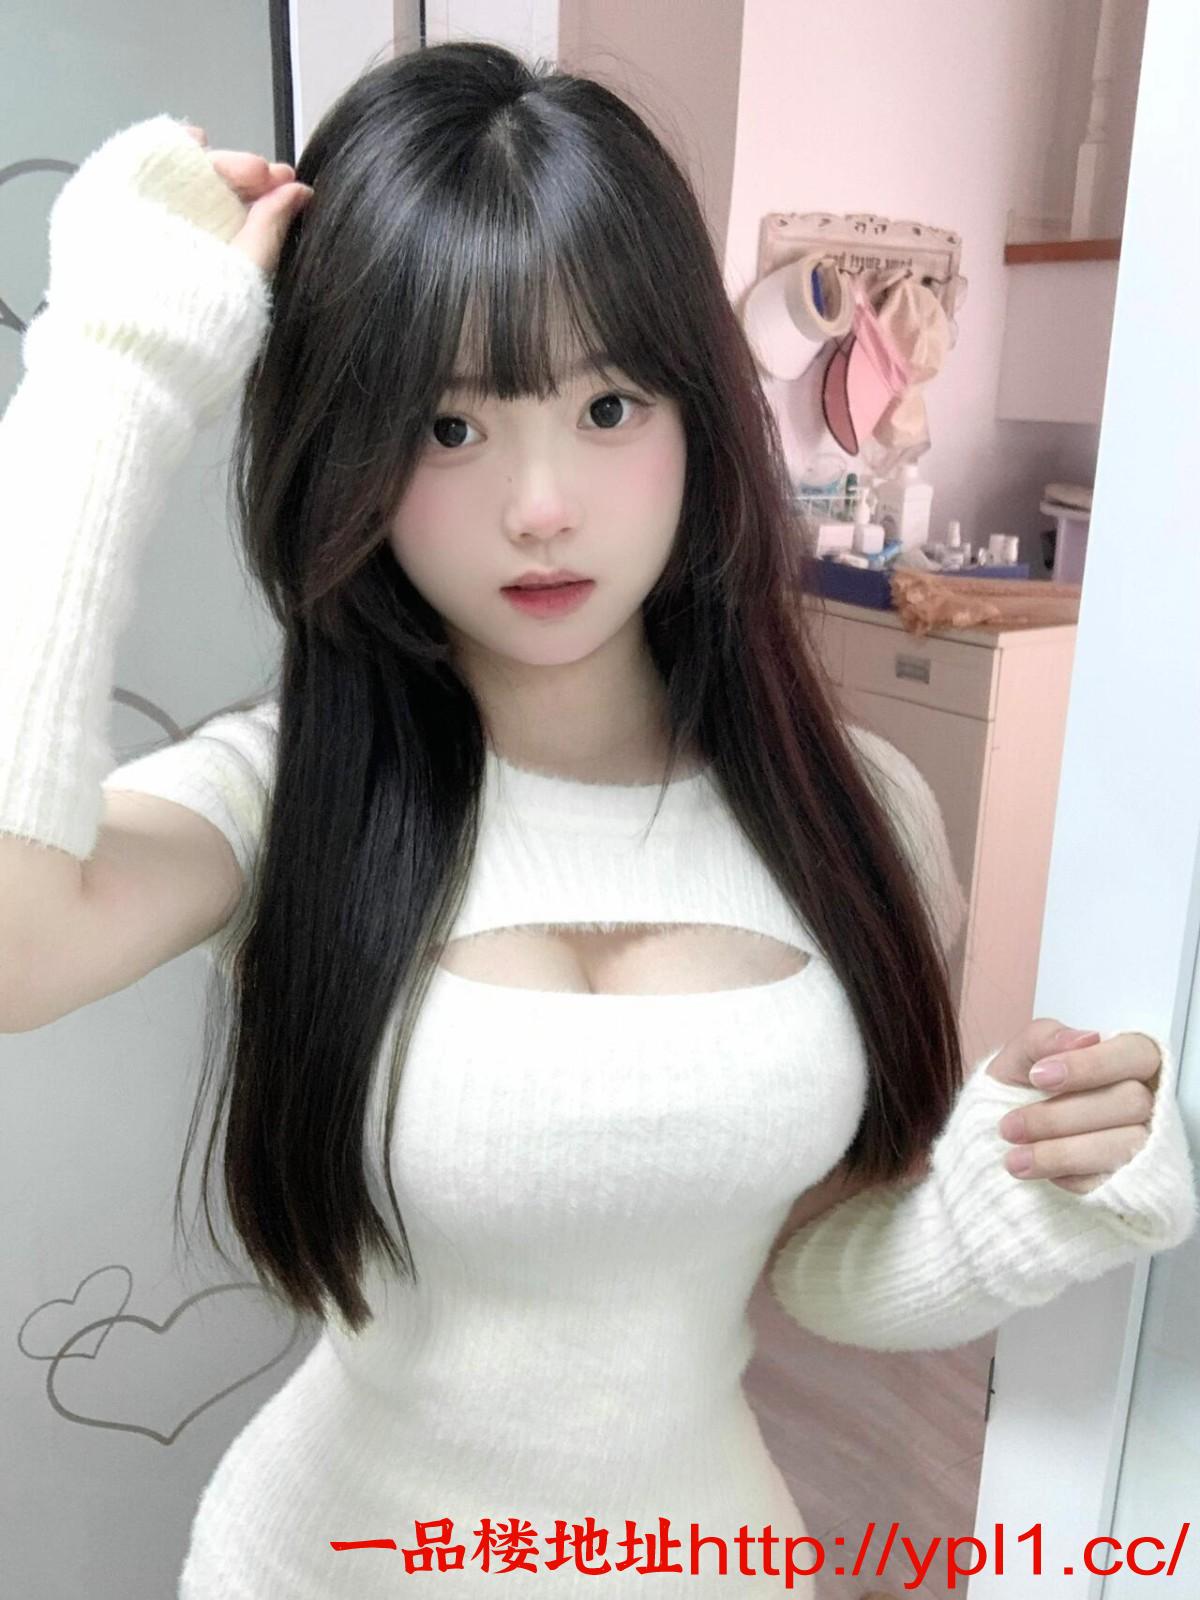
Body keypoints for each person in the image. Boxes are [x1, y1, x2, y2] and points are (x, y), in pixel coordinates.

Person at [0, 41, 1194, 1600]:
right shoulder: (291, 793)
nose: (542, 505)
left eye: (609, 404)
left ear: (698, 417)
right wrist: (114, 360)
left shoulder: (858, 814)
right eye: (449, 428)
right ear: (350, 449)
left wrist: (1018, 1198)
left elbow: (820, 1264)